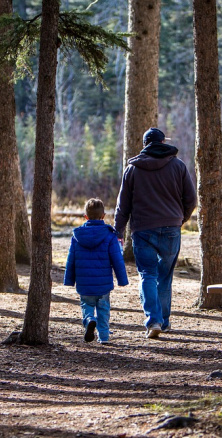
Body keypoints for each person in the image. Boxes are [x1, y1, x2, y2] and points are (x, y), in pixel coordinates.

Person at [115, 128, 196, 339]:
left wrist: (118, 231)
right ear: (162, 142)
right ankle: (164, 322)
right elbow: (191, 199)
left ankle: (154, 321)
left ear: (145, 145)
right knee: (165, 277)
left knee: (147, 275)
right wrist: (181, 219)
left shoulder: (132, 169)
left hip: (142, 230)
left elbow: (122, 206)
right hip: (171, 228)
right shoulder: (178, 166)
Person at [64, 198, 129, 344]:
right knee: (103, 309)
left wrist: (69, 280)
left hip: (84, 282)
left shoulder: (77, 237)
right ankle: (104, 337)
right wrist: (122, 279)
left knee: (86, 305)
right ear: (103, 216)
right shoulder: (110, 236)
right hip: (103, 283)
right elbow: (117, 259)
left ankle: (89, 320)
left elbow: (71, 259)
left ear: (85, 217)